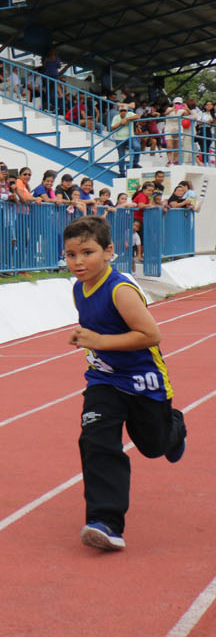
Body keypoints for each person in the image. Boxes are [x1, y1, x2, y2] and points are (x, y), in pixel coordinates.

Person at [63, 216, 186, 552]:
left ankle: (175, 426)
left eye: (87, 252)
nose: (78, 262)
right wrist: (88, 339)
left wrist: (98, 340)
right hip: (103, 379)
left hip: (144, 381)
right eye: (71, 255)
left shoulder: (121, 290)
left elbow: (151, 335)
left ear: (109, 252)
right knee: (96, 441)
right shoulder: (79, 289)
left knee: (154, 446)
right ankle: (105, 521)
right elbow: (96, 329)